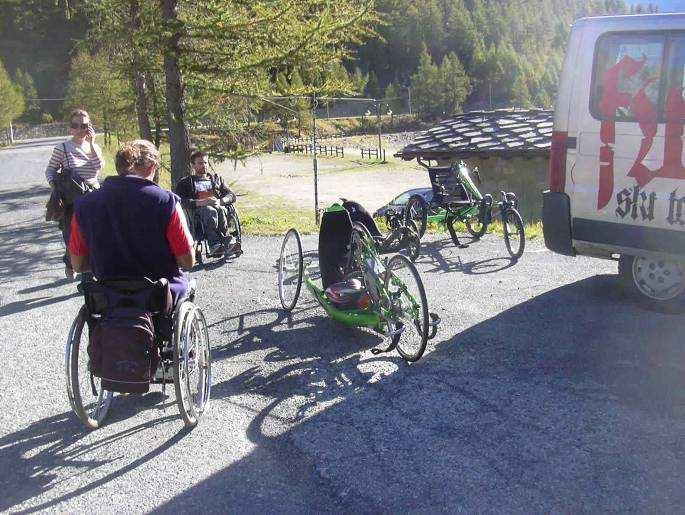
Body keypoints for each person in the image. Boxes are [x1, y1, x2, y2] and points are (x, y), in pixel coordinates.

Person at [68, 140, 195, 304]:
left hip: (109, 297)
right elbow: (187, 260)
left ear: (118, 167)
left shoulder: (84, 205)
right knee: (187, 286)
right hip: (158, 297)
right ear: (152, 168)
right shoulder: (165, 201)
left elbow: (78, 265)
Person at [45, 109, 104, 278]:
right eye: (75, 125)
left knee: (93, 235)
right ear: (70, 128)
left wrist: (92, 144)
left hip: (93, 196)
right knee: (72, 236)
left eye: (84, 125)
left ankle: (89, 273)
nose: (80, 129)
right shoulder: (62, 148)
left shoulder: (95, 147)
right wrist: (54, 186)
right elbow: (50, 170)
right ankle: (72, 263)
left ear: (89, 127)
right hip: (72, 200)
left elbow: (98, 167)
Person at [175, 150, 239, 257]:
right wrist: (202, 202)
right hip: (197, 215)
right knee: (209, 210)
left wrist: (220, 201)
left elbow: (231, 195)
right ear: (193, 165)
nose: (204, 165)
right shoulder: (186, 182)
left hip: (218, 209)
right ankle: (215, 244)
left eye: (205, 162)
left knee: (220, 209)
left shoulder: (216, 179)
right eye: (200, 163)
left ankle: (226, 241)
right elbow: (180, 201)